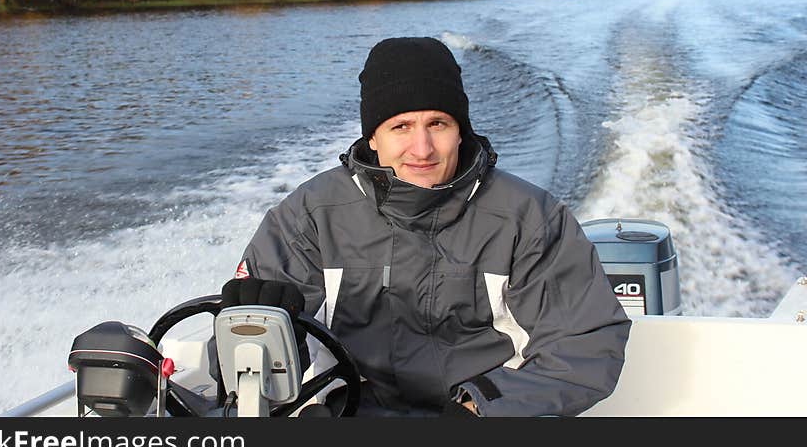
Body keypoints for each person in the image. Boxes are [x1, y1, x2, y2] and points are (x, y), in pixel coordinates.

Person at [222, 36, 631, 417]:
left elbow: (585, 345)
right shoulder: (310, 215)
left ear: (459, 132)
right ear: (374, 138)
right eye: (401, 126)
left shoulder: (530, 219)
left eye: (438, 124)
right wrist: (258, 323)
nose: (422, 149)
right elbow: (237, 374)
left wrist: (478, 410)